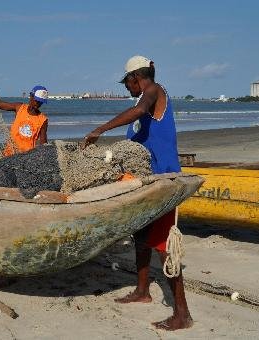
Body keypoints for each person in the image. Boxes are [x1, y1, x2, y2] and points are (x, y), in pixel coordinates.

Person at [82, 56, 192, 331]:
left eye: (128, 83)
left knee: (166, 248)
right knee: (141, 237)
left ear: (136, 77)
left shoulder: (153, 91)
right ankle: (142, 291)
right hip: (146, 182)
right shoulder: (143, 98)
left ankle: (182, 314)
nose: (127, 89)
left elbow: (140, 110)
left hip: (165, 181)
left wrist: (101, 129)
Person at [0, 72, 49, 156]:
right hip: (9, 153)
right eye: (37, 100)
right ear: (31, 96)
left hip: (27, 156)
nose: (38, 104)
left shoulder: (43, 120)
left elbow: (43, 143)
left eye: (41, 102)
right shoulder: (19, 108)